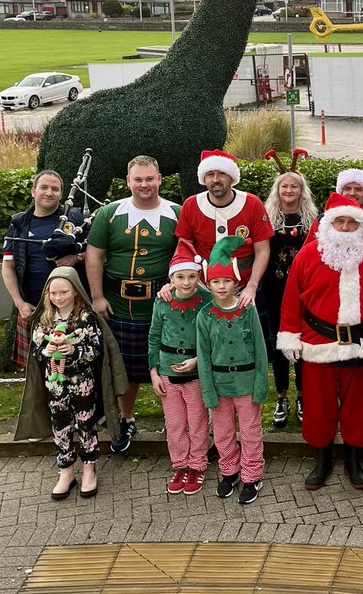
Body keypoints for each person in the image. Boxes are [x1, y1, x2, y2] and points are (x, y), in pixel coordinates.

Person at [278, 192, 363, 491]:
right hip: (318, 342)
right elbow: (291, 297)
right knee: (319, 407)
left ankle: (355, 460)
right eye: (339, 221)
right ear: (328, 224)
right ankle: (322, 459)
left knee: (360, 407)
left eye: (352, 222)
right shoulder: (309, 254)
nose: (346, 227)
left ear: (361, 225)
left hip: (362, 343)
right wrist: (290, 334)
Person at [86, 155, 181, 453]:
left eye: (149, 178)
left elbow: (185, 257)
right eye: (138, 179)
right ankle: (126, 419)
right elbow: (94, 255)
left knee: (170, 365)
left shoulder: (177, 214)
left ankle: (175, 420)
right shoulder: (110, 214)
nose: (144, 184)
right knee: (124, 370)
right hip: (118, 305)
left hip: (162, 307)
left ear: (160, 179)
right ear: (128, 182)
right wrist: (97, 297)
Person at [15, 266, 126, 500]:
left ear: (75, 291)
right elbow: (36, 351)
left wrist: (74, 350)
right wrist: (47, 350)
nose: (58, 298)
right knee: (60, 426)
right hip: (55, 385)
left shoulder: (86, 317)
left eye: (63, 292)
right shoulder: (43, 319)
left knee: (86, 423)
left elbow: (97, 350)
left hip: (82, 383)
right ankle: (65, 471)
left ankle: (89, 469)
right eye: (53, 293)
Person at [196, 237, 270, 505]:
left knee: (250, 431)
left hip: (247, 383)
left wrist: (261, 385)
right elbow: (203, 356)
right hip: (219, 384)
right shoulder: (204, 315)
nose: (222, 286)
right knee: (224, 432)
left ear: (236, 282)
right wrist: (208, 391)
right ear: (208, 283)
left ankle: (252, 475)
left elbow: (261, 350)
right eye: (216, 281)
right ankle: (229, 471)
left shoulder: (246, 310)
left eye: (227, 281)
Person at [1, 169, 84, 370]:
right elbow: (8, 267)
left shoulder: (74, 218)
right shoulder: (19, 224)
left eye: (55, 189)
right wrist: (20, 304)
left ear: (62, 194)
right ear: (33, 192)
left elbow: (96, 253)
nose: (49, 192)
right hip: (34, 306)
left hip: (72, 307)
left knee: (74, 364)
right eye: (44, 187)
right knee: (38, 367)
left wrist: (75, 257)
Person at [148, 241, 213, 496]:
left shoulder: (206, 300)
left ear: (198, 276)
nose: (186, 282)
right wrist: (154, 372)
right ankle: (181, 464)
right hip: (167, 370)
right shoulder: (162, 301)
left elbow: (212, 336)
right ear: (171, 278)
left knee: (197, 420)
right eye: (180, 277)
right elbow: (153, 336)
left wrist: (198, 359)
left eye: (192, 277)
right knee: (175, 422)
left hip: (195, 371)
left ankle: (197, 464)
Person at [175, 149, 272, 308]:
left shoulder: (252, 204)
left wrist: (252, 287)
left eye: (221, 173)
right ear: (203, 178)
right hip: (203, 288)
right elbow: (184, 248)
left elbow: (262, 250)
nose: (215, 180)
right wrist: (177, 279)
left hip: (245, 289)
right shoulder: (191, 205)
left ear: (232, 177)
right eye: (210, 174)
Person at [261, 170, 318, 429]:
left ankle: (304, 397)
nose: (289, 191)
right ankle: (282, 396)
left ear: (301, 191)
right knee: (278, 341)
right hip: (274, 286)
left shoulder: (312, 219)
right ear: (278, 190)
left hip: (304, 287)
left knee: (304, 340)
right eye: (284, 186)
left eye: (294, 186)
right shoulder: (267, 216)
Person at [305, 169, 363, 243]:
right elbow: (307, 253)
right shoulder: (322, 220)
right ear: (341, 192)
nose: (352, 193)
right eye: (347, 188)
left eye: (358, 189)